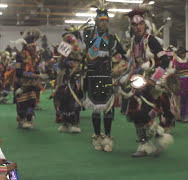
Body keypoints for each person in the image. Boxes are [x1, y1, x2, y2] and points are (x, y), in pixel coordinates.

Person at [120, 9, 174, 157]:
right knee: (135, 114)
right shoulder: (133, 43)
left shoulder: (151, 40)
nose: (138, 27)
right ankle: (144, 145)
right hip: (137, 82)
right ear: (131, 26)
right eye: (134, 25)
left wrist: (153, 80)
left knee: (144, 114)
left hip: (151, 83)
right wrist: (123, 77)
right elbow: (131, 63)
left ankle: (159, 138)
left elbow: (165, 61)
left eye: (140, 24)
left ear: (145, 24)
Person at [82, 3, 127, 152]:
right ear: (96, 21)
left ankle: (107, 138)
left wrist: (117, 68)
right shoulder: (88, 36)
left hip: (108, 78)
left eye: (106, 21)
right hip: (92, 77)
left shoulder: (113, 40)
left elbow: (124, 57)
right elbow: (82, 54)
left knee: (108, 111)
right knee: (95, 111)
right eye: (101, 20)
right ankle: (97, 138)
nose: (103, 23)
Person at [54, 26, 85, 133]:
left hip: (74, 81)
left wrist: (73, 65)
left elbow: (79, 65)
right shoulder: (64, 51)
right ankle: (65, 123)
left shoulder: (78, 51)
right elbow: (61, 63)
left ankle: (75, 124)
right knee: (64, 101)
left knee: (74, 101)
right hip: (64, 80)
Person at [14, 28, 42, 129]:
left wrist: (39, 74)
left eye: (35, 46)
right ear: (27, 47)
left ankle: (29, 120)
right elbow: (18, 71)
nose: (34, 48)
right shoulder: (19, 56)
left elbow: (36, 70)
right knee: (22, 103)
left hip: (32, 84)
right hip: (21, 83)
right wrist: (33, 75)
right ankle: (22, 119)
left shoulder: (35, 57)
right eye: (32, 47)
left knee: (32, 101)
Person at [173, 47, 188, 123]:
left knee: (186, 98)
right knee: (179, 99)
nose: (184, 54)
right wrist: (187, 71)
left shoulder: (187, 60)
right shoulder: (176, 61)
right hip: (180, 82)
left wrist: (185, 71)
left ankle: (183, 115)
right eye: (182, 53)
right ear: (179, 53)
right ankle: (179, 116)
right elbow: (176, 71)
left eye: (184, 53)